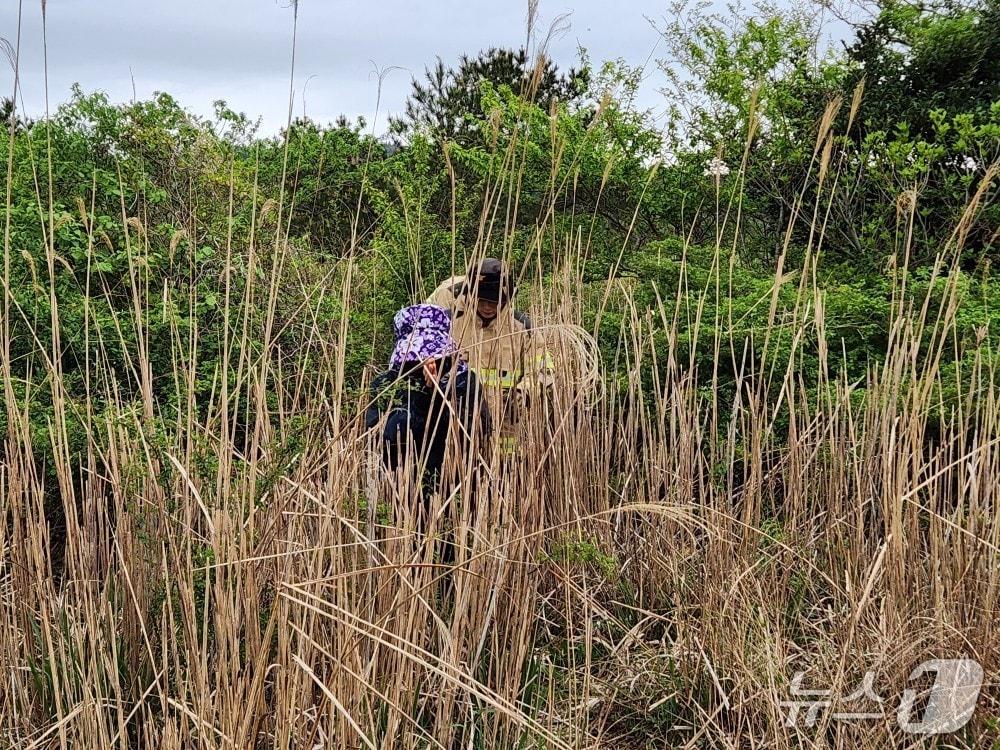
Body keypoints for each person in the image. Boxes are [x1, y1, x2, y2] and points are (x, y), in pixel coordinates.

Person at [427, 258, 553, 452]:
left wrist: (523, 392)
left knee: (503, 472)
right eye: (483, 300)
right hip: (458, 421)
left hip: (505, 424)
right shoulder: (450, 324)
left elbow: (544, 371)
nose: (487, 307)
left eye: (494, 302)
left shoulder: (522, 329)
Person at [365, 303, 490, 498]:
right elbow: (381, 441)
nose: (426, 360)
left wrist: (438, 394)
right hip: (399, 491)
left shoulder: (464, 381)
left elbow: (475, 435)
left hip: (455, 491)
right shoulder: (386, 384)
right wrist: (420, 397)